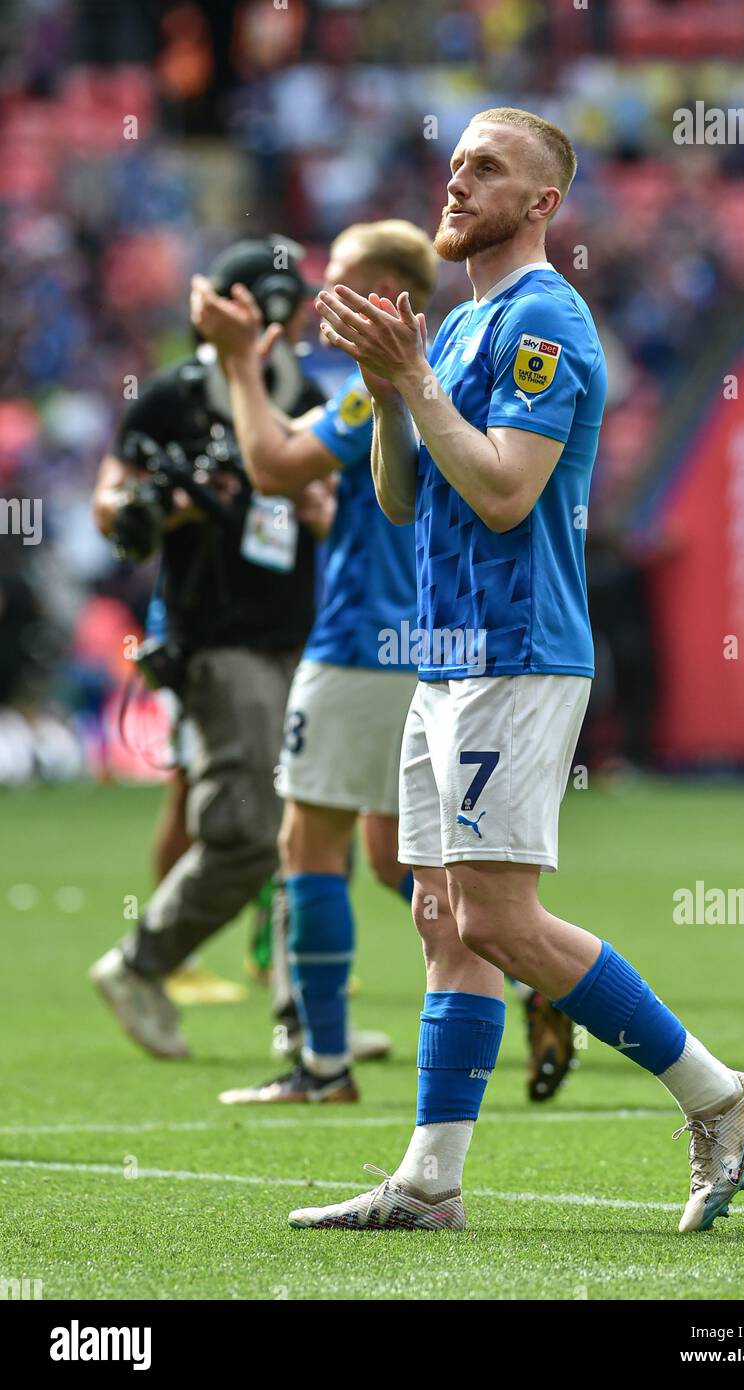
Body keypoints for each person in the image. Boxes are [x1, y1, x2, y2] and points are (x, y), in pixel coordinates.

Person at [286, 107, 744, 1234]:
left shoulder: (546, 321)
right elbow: (405, 496)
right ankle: (429, 1180)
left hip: (515, 651)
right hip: (442, 653)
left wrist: (409, 378)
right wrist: (389, 382)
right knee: (442, 919)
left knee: (502, 919)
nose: (457, 183)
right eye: (454, 164)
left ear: (544, 202)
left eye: (488, 168)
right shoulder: (456, 330)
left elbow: (506, 490)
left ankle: (718, 1095)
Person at [190, 220, 433, 1103]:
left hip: (362, 644)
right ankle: (529, 981)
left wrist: (236, 363)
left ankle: (322, 1062)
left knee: (306, 839)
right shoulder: (450, 371)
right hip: (434, 646)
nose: (320, 293)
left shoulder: (377, 384)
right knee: (395, 855)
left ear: (384, 292)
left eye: (340, 279)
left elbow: (271, 464)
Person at [89, 237, 329, 1059]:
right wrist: (150, 511)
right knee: (243, 826)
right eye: (256, 299)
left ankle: (308, 1019)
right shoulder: (170, 400)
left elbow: (337, 502)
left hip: (308, 632)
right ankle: (143, 959)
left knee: (313, 820)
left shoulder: (308, 391)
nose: (273, 316)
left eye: (283, 299)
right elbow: (113, 503)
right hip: (218, 637)